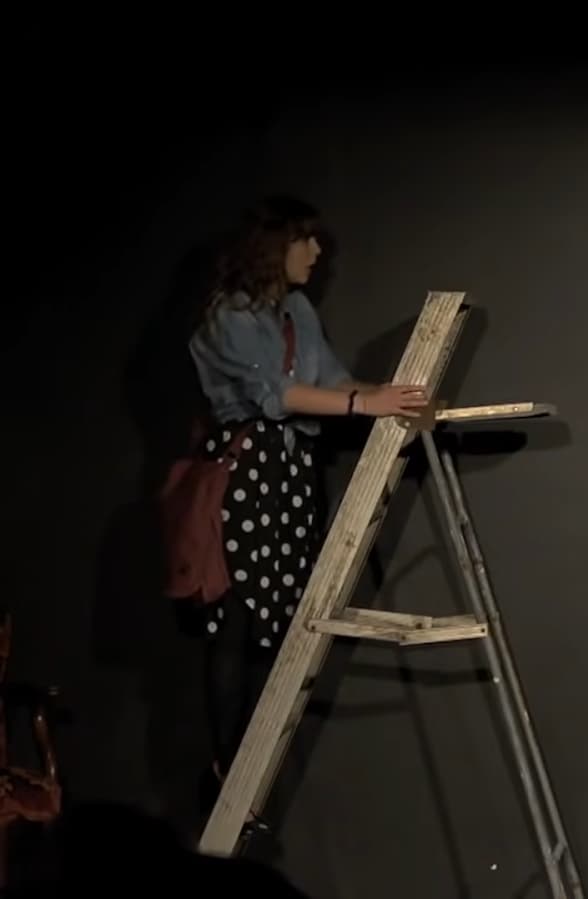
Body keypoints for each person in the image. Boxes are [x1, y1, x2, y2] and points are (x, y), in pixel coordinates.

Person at [185, 195, 430, 826]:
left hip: (289, 475)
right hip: (245, 473)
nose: (317, 254)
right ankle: (224, 769)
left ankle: (251, 772)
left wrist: (387, 395)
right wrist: (363, 408)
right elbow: (276, 397)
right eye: (306, 241)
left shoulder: (293, 310)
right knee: (236, 621)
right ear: (274, 245)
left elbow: (330, 379)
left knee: (282, 620)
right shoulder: (230, 318)